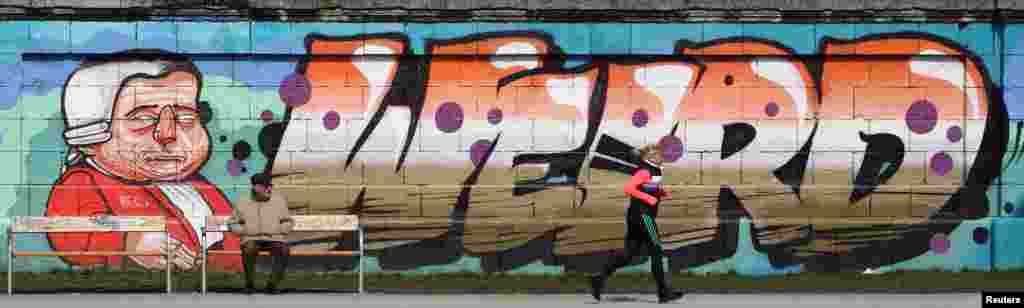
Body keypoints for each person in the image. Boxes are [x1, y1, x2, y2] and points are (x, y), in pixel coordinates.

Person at [45, 49, 242, 272]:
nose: (168, 133)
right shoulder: (84, 182)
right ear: (90, 137)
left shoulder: (197, 186)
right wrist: (127, 243)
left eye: (185, 117)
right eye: (143, 118)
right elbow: (68, 234)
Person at [590, 144, 684, 304]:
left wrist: (659, 192)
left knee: (628, 254)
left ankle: (598, 278)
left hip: (636, 216)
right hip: (644, 216)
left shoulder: (654, 170)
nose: (660, 155)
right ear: (648, 157)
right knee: (656, 252)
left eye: (660, 152)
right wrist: (649, 198)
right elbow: (629, 188)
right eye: (656, 153)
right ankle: (663, 292)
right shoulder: (645, 170)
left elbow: (647, 187)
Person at [229, 173, 294, 295]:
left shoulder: (278, 201)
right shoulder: (243, 201)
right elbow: (233, 223)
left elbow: (288, 221)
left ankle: (272, 284)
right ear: (255, 187)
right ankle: (249, 284)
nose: (269, 189)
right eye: (265, 186)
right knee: (249, 249)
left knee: (284, 250)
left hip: (274, 238)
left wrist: (280, 230)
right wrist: (244, 231)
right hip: (251, 238)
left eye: (269, 186)